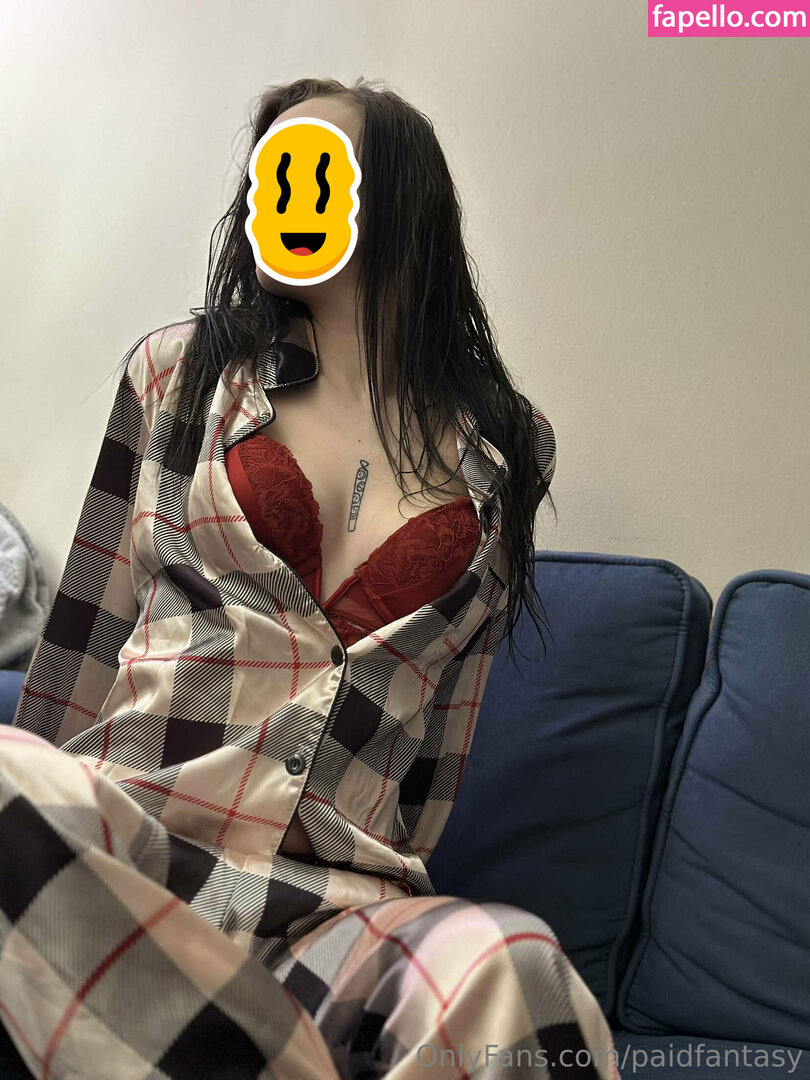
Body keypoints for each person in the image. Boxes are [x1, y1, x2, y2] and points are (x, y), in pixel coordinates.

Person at [2, 77, 620, 1079]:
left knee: (512, 965)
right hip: (130, 856)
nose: (279, 194)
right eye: (269, 174)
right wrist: (41, 833)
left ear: (402, 198)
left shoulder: (512, 451)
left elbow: (440, 746)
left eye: (312, 169)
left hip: (336, 908)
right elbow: (81, 644)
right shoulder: (175, 376)